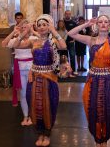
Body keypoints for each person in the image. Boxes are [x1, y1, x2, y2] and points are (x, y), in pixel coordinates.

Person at [67, 15, 110, 147]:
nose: (103, 24)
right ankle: (97, 138)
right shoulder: (91, 40)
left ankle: (105, 138)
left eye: (106, 22)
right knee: (92, 108)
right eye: (100, 22)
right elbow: (71, 33)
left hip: (109, 80)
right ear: (97, 25)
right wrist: (86, 24)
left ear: (109, 25)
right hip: (93, 80)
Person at [13, 14, 66, 147]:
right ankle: (39, 134)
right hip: (35, 78)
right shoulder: (33, 41)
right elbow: (15, 44)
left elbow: (63, 46)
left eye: (45, 25)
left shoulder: (53, 41)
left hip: (49, 78)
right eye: (40, 25)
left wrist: (54, 31)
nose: (42, 27)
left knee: (49, 105)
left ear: (49, 26)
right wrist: (24, 32)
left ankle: (46, 134)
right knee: (35, 106)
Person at [1, 20, 33, 126]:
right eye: (22, 27)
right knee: (23, 93)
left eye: (26, 27)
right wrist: (13, 31)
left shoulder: (33, 39)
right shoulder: (16, 39)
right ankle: (25, 116)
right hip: (19, 69)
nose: (24, 29)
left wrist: (32, 30)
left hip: (32, 68)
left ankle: (32, 115)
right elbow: (4, 44)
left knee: (32, 93)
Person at [64, 10, 77, 75]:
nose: (68, 15)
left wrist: (74, 39)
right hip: (63, 43)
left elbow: (76, 32)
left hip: (71, 41)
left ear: (70, 14)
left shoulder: (73, 23)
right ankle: (66, 70)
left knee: (72, 56)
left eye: (69, 14)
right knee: (65, 57)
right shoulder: (62, 22)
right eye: (66, 14)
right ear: (64, 14)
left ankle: (73, 70)